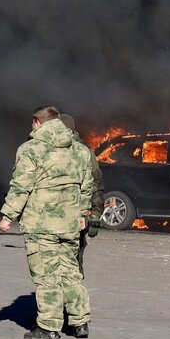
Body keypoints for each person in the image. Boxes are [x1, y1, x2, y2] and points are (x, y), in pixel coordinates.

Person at [0, 106, 94, 339]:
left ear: (37, 122)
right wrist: (83, 213)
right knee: (71, 272)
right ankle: (80, 322)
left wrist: (8, 216)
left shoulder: (31, 149)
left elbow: (21, 186)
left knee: (47, 275)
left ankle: (49, 327)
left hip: (41, 225)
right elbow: (87, 185)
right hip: (70, 223)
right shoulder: (81, 151)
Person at [57, 113, 104, 278]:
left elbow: (96, 185)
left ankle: (71, 301)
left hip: (76, 217)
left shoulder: (84, 152)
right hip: (51, 218)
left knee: (73, 267)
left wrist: (96, 215)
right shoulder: (46, 148)